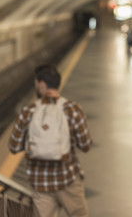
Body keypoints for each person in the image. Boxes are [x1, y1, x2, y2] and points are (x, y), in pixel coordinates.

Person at [9, 65, 92, 217]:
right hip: (68, 179)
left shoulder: (27, 112)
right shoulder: (73, 109)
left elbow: (14, 147)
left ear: (42, 85)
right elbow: (86, 145)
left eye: (35, 84)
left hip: (41, 185)